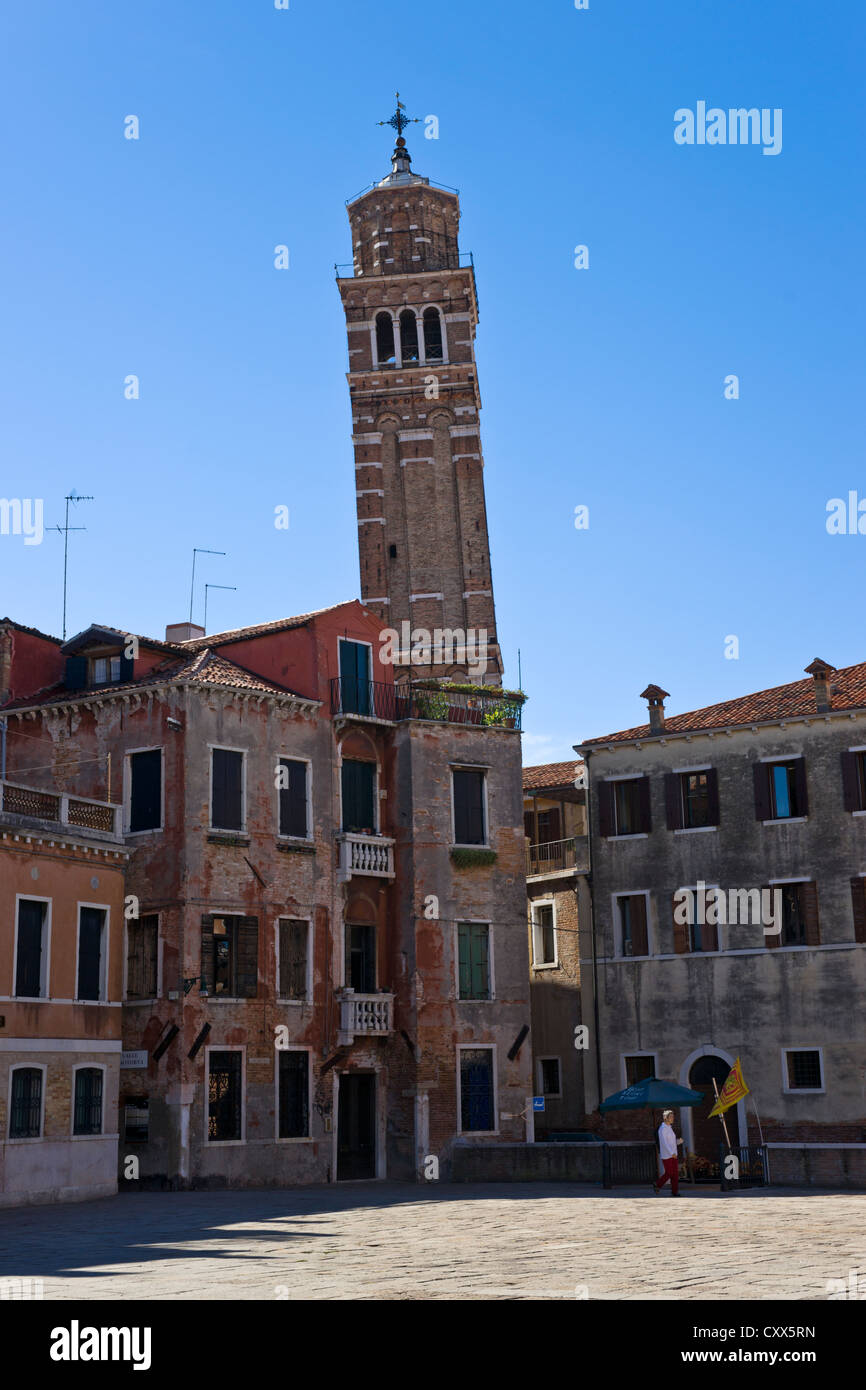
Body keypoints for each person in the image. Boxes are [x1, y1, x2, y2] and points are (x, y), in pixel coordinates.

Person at [653, 1110, 682, 1195]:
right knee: (669, 1173)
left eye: (673, 1116)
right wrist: (671, 1153)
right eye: (671, 1117)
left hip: (674, 1154)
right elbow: (664, 1143)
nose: (673, 1118)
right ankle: (658, 1184)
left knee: (675, 1174)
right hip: (667, 1155)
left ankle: (674, 1192)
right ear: (666, 1118)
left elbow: (671, 1142)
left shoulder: (669, 1128)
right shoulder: (662, 1129)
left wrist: (678, 1142)